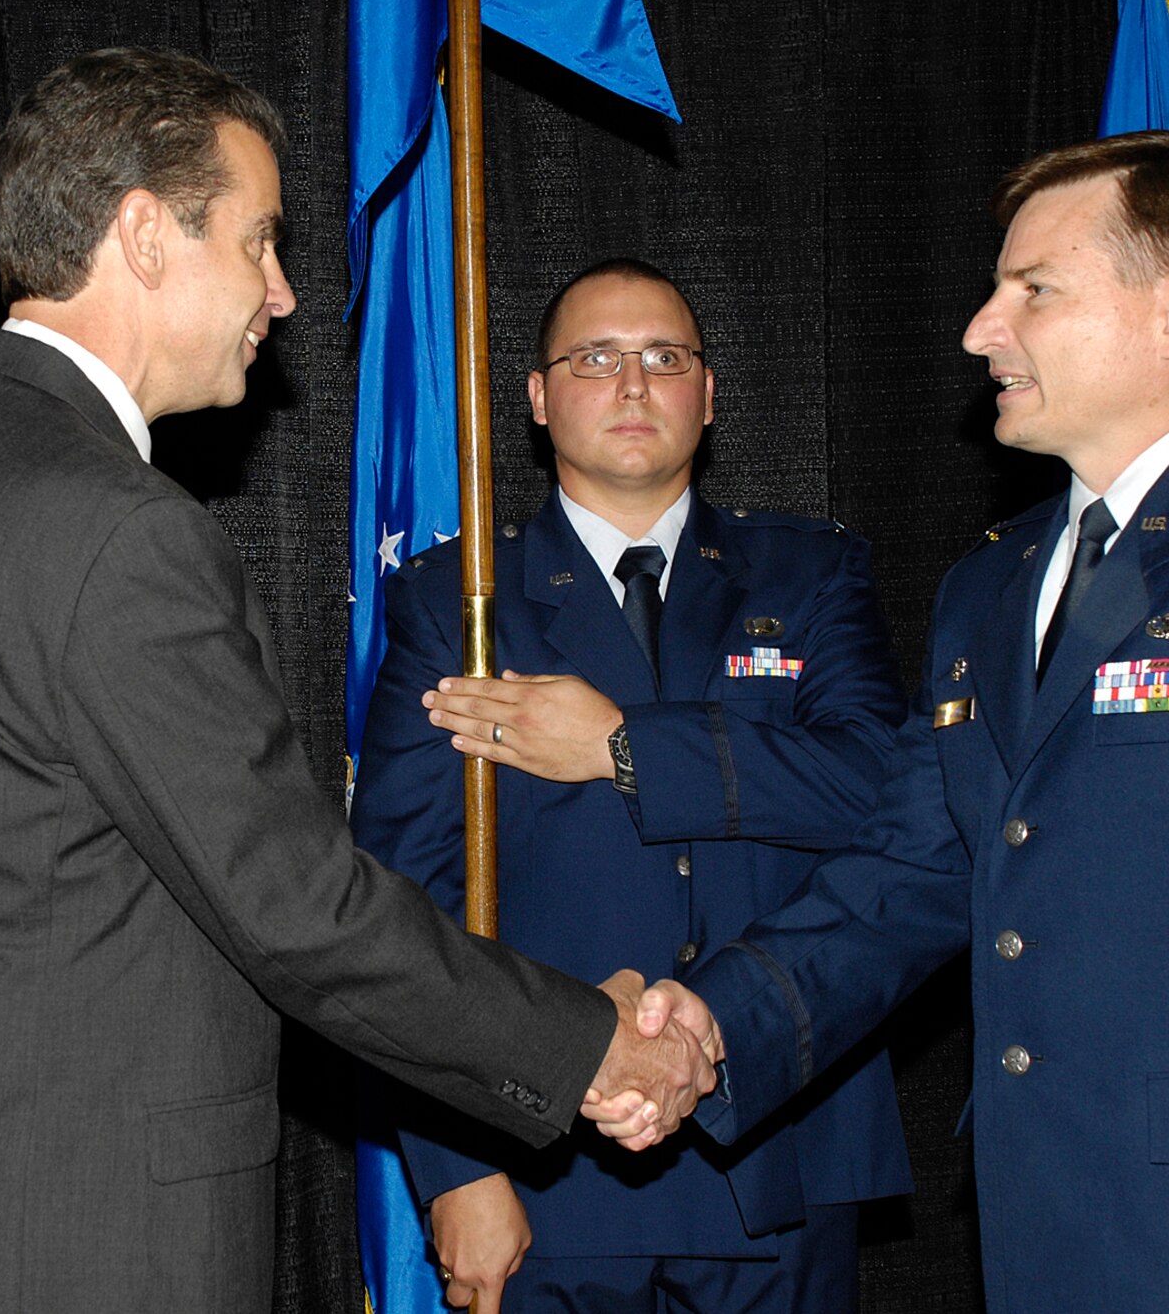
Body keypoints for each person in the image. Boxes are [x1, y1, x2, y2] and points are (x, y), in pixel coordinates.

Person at [0, 49, 713, 1314]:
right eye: (257, 241)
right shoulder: (114, 529)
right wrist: (587, 1041)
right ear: (141, 233)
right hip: (94, 1247)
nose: (283, 295)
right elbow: (301, 911)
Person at [619, 131, 1169, 1310]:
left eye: (1030, 290)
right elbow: (910, 871)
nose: (978, 328)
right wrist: (711, 1020)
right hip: (1048, 1236)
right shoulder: (986, 586)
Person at [352, 258, 911, 1311]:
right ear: (535, 396)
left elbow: (885, 796)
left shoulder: (809, 575)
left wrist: (622, 745)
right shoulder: (457, 607)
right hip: (546, 1168)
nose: (632, 384)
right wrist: (458, 1167)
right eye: (594, 359)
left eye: (664, 358)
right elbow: (398, 912)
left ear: (708, 392)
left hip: (775, 1157)